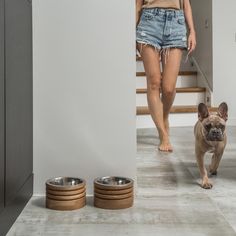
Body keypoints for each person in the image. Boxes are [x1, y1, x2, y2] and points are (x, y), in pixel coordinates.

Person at [136, 0, 196, 152]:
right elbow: (138, 4)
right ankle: (163, 135)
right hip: (149, 23)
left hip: (176, 23)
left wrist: (192, 31)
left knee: (169, 88)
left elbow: (186, 4)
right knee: (154, 82)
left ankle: (164, 117)